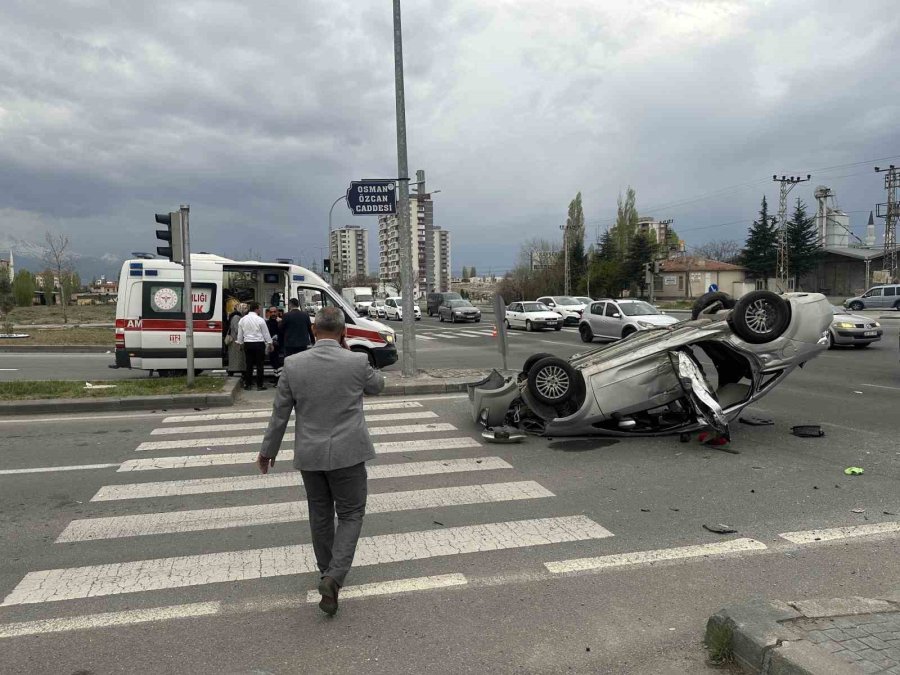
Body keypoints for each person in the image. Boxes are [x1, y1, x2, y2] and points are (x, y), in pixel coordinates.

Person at [256, 306, 384, 616]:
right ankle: (334, 577)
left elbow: (280, 414)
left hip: (311, 454)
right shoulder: (356, 361)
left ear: (314, 331)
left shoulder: (293, 364)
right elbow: (378, 385)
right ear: (343, 331)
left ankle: (327, 572)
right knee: (352, 513)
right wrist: (350, 352)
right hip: (349, 453)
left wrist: (267, 451)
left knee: (321, 513)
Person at [236, 302, 272, 390]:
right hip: (259, 344)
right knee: (260, 365)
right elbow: (265, 333)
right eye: (259, 308)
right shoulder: (260, 320)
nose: (260, 310)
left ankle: (248, 384)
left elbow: (240, 334)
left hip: (248, 343)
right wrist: (270, 343)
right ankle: (260, 385)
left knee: (249, 365)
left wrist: (240, 344)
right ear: (256, 309)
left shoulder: (243, 319)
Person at [225, 303, 248, 376]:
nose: (246, 311)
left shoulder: (236, 316)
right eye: (244, 309)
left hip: (235, 340)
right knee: (238, 357)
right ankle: (234, 370)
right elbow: (237, 329)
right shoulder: (236, 317)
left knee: (237, 357)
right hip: (235, 340)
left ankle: (234, 370)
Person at [265, 305, 283, 375]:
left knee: (278, 362)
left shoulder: (281, 321)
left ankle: (278, 379)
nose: (273, 314)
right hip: (271, 345)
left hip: (280, 345)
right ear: (269, 313)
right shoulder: (267, 323)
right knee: (273, 362)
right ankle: (276, 376)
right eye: (271, 312)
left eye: (274, 312)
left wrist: (280, 324)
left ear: (277, 312)